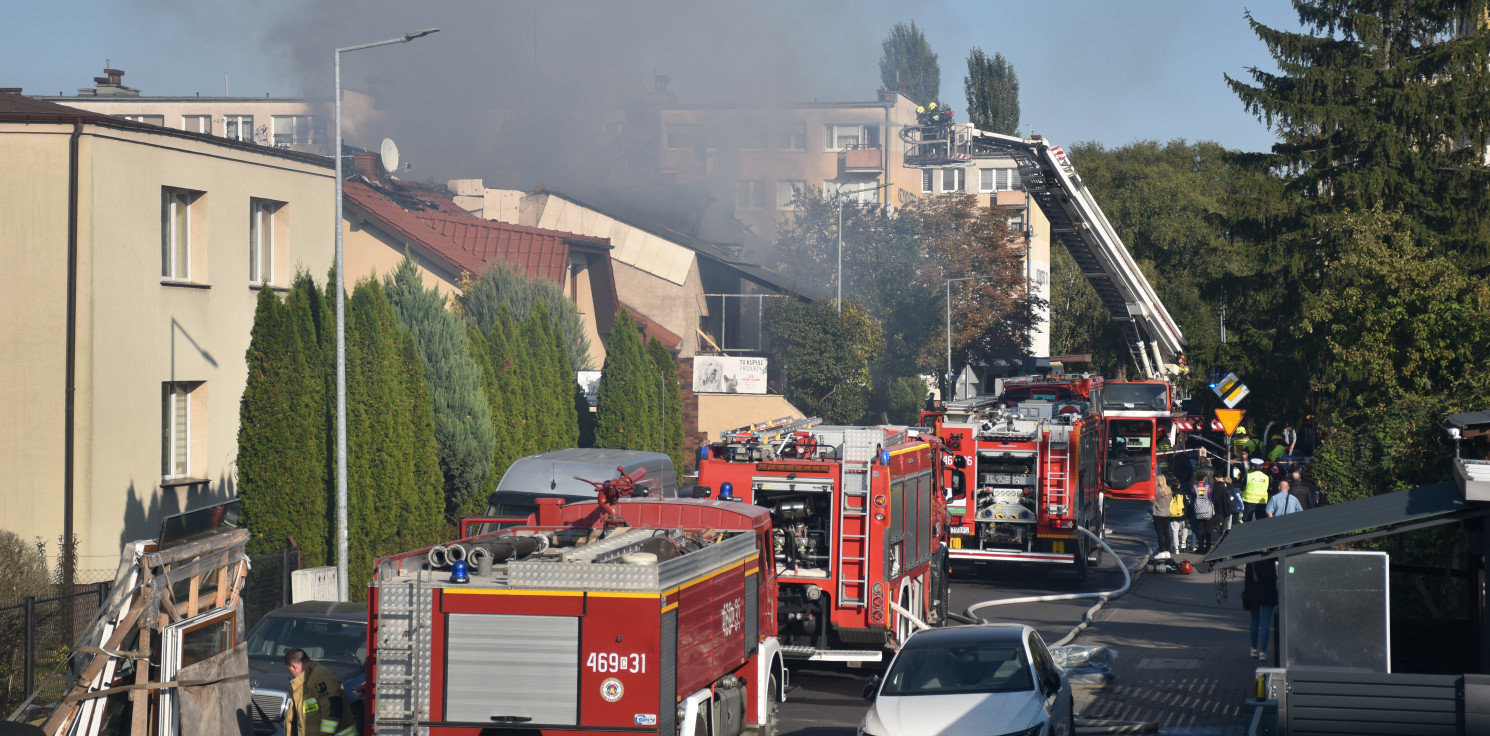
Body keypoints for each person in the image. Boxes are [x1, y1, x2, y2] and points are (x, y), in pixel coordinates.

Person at [285, 649, 358, 736]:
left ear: (294, 667)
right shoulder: (304, 682)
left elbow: (332, 710)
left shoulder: (321, 676)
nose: (291, 675)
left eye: (289, 671)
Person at [1243, 560, 1279, 661]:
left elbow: (1247, 580)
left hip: (1253, 594)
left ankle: (1254, 649)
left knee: (1254, 621)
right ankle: (1263, 652)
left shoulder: (1251, 560)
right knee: (1265, 623)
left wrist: (1247, 594)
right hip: (1268, 594)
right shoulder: (1271, 561)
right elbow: (1274, 579)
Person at [1189, 468, 1218, 554]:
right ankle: (1208, 547)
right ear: (1204, 478)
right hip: (1207, 510)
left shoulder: (1193, 488)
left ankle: (1200, 547)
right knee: (1208, 529)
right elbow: (1211, 497)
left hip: (1198, 511)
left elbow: (1192, 498)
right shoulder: (1208, 487)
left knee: (1200, 529)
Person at [1152, 472, 1174, 556]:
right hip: (1167, 513)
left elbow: (1152, 500)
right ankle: (1167, 551)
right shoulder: (1168, 489)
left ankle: (1161, 551)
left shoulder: (1156, 489)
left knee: (1160, 533)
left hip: (1158, 513)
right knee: (1166, 532)